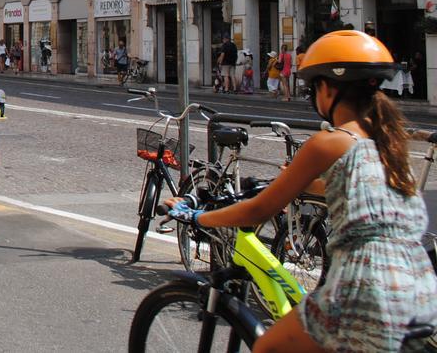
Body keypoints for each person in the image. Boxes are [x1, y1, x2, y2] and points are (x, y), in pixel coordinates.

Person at [167, 30, 437, 352]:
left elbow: (257, 211)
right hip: (418, 288)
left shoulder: (329, 141)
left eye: (312, 87)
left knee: (269, 347)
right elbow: (363, 192)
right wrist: (308, 184)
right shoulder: (388, 142)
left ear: (326, 88)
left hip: (363, 290)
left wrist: (198, 216)